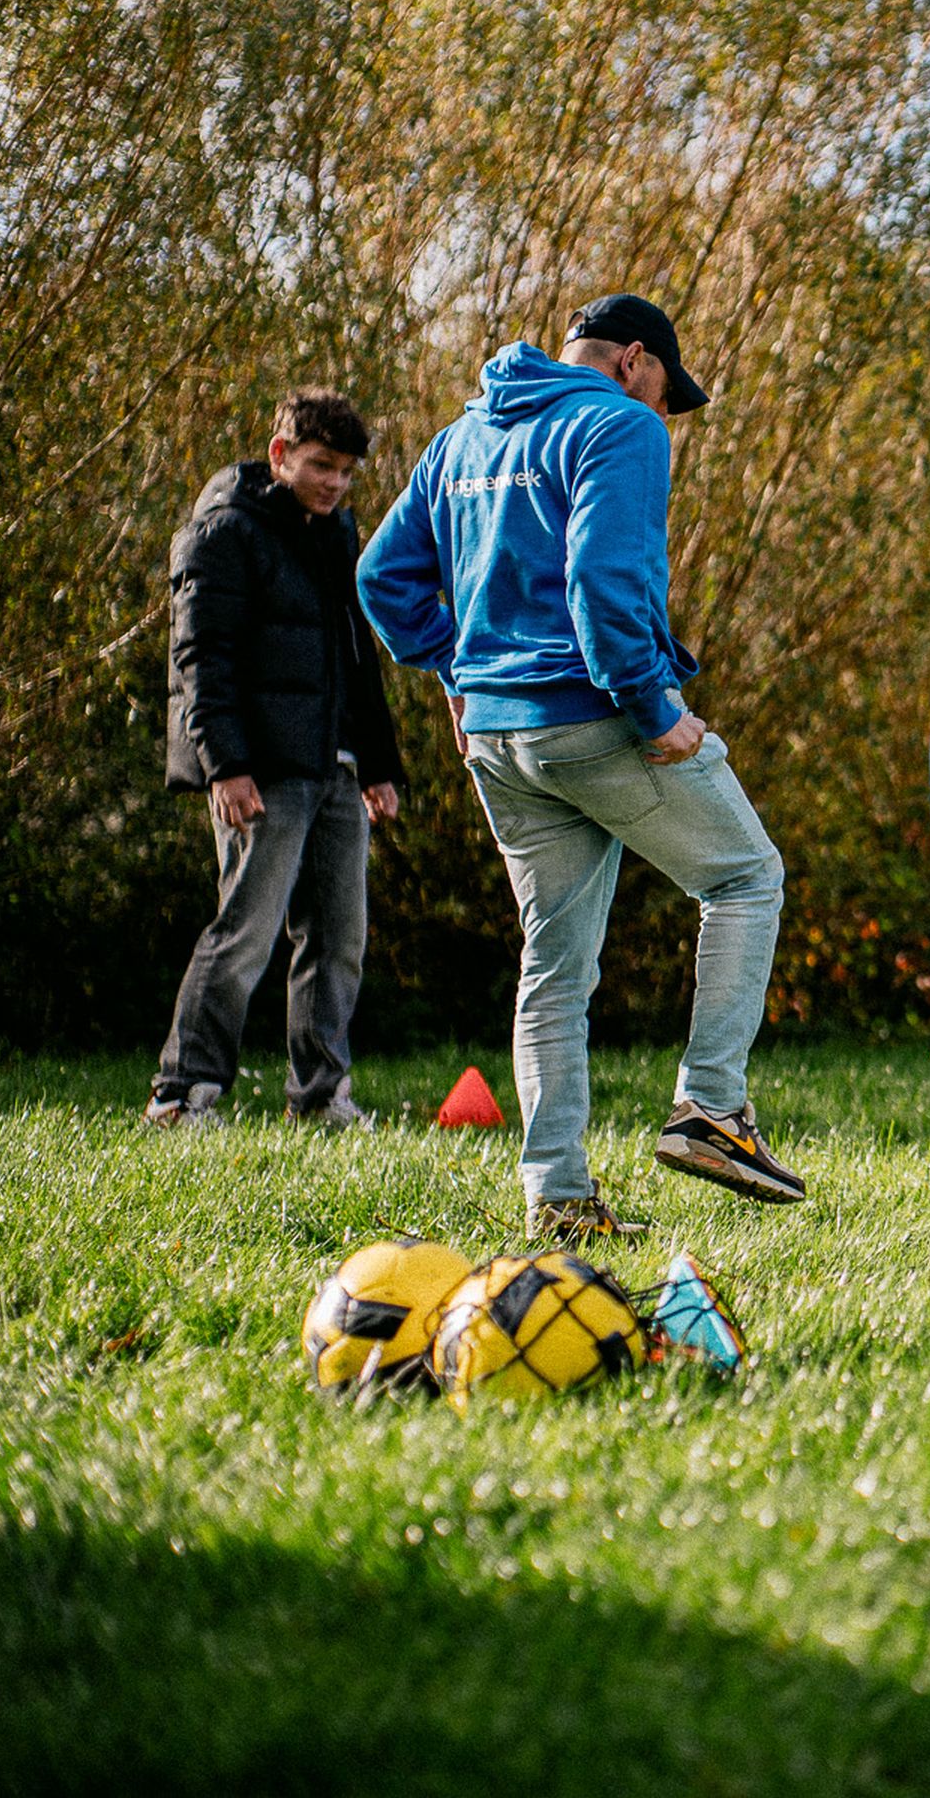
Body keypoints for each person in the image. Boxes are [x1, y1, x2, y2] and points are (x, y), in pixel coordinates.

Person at [358, 293, 803, 1240]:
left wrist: (455, 668)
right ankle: (712, 1109)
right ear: (635, 361)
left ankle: (558, 1198)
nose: (662, 415)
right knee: (745, 876)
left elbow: (380, 577)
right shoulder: (619, 427)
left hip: (500, 741)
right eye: (663, 395)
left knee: (553, 966)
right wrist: (655, 707)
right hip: (595, 715)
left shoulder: (460, 440)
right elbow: (603, 583)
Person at [149, 390, 407, 1131]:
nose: (334, 484)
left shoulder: (337, 533)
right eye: (321, 466)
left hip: (337, 771)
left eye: (347, 472)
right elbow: (200, 658)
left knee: (338, 941)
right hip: (259, 774)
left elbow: (356, 658)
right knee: (244, 935)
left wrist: (380, 767)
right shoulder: (223, 533)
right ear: (279, 454)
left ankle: (322, 1097)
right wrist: (222, 764)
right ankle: (182, 1094)